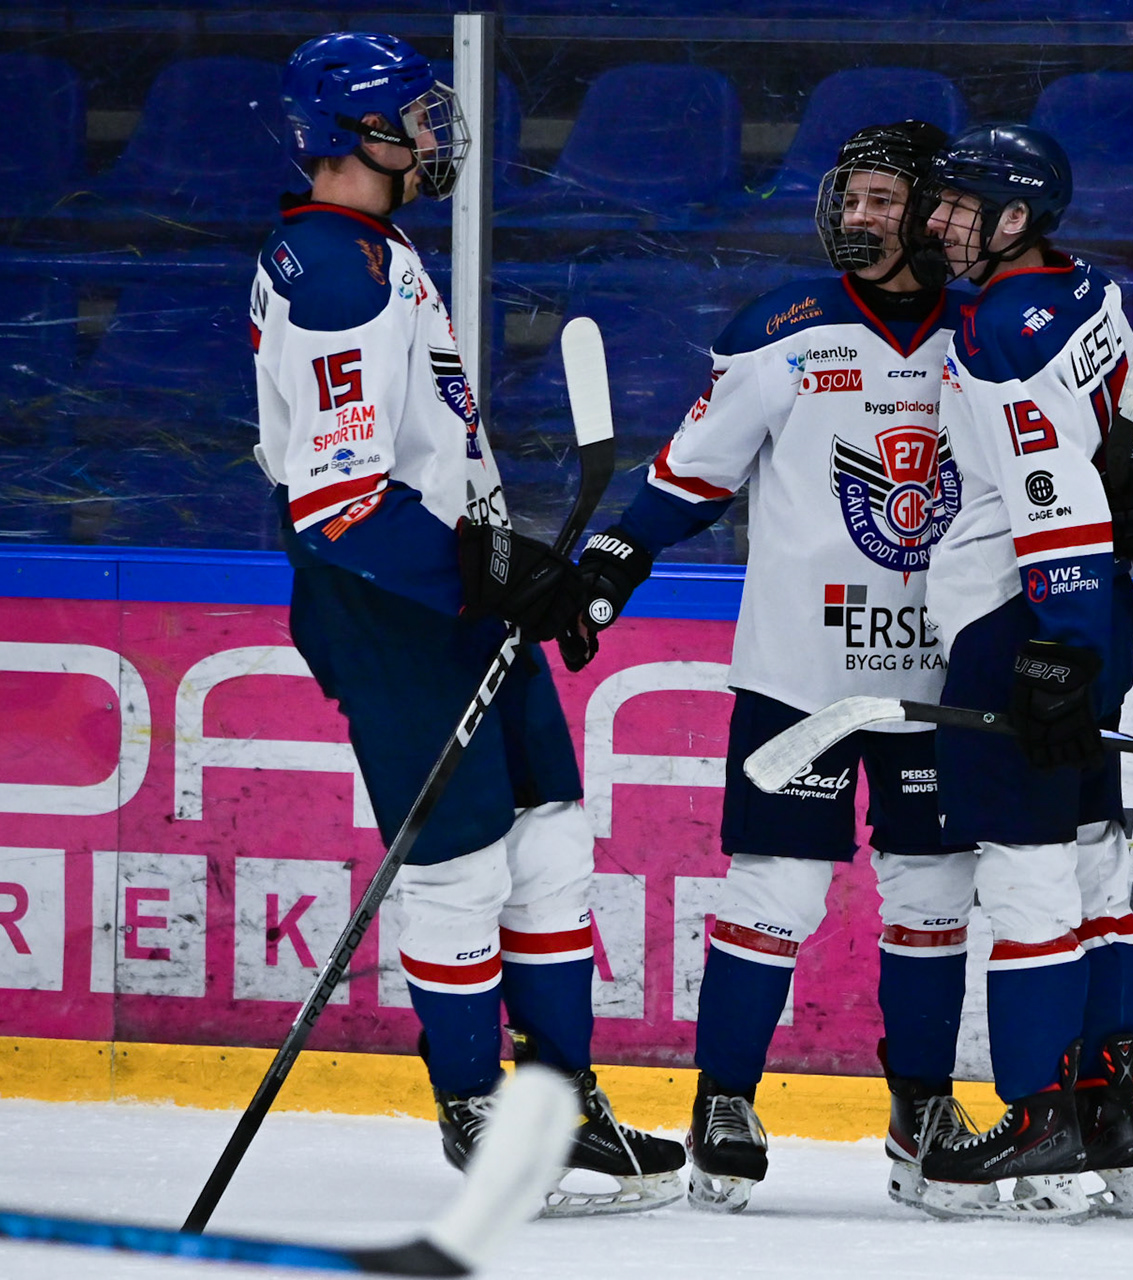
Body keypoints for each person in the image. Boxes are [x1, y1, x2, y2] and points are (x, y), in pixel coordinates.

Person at [253, 31, 683, 1215]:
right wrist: (491, 571)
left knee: (549, 837)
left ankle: (558, 1099)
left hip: (449, 585)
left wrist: (515, 573)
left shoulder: (372, 249)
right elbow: (338, 502)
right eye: (414, 117)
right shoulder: (333, 273)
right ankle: (475, 1110)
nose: (434, 133)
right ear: (354, 134)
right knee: (458, 861)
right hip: (391, 602)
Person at [564, 122, 977, 1212]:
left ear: (936, 210)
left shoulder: (985, 335)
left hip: (947, 680)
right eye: (852, 196)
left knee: (935, 894)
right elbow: (691, 475)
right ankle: (725, 1102)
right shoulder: (780, 330)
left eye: (884, 198)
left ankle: (923, 1109)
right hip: (801, 671)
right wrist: (612, 561)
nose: (858, 215)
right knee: (777, 888)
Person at [907, 124, 1133, 1223]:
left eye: (959, 206)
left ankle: (1038, 1113)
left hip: (1018, 620)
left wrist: (1051, 646)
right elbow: (1109, 462)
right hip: (1093, 614)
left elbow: (1053, 492)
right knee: (1094, 867)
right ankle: (1106, 1107)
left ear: (1016, 218)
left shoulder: (991, 330)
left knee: (1026, 872)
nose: (937, 221)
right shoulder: (1094, 293)